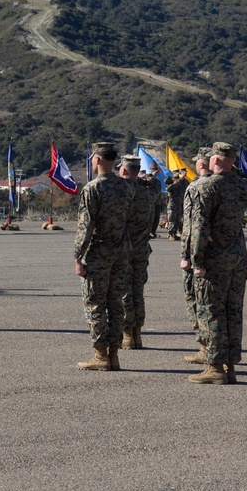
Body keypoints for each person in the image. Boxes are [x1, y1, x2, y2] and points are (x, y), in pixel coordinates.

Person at [182, 142, 247, 384]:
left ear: (215, 160)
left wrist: (196, 260)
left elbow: (199, 227)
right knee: (233, 312)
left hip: (213, 259)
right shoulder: (243, 186)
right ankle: (230, 364)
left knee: (211, 312)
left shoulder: (206, 187)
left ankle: (215, 367)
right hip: (237, 257)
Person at [74, 142, 133, 371]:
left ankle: (100, 355)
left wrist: (78, 256)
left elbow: (85, 227)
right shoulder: (127, 187)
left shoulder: (92, 189)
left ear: (97, 159)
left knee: (95, 303)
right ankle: (114, 354)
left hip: (99, 252)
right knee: (116, 302)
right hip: (121, 251)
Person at [119, 155, 156, 349]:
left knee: (125, 293)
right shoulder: (146, 193)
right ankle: (137, 334)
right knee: (137, 292)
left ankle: (127, 335)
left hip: (123, 250)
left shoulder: (120, 192)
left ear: (124, 170)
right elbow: (155, 186)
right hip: (141, 249)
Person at [181, 147, 212, 364]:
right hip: (231, 256)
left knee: (198, 303)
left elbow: (192, 227)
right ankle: (223, 354)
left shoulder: (197, 187)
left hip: (201, 255)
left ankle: (205, 349)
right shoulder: (235, 185)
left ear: (201, 164)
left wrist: (187, 256)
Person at [165, 171, 189, 240]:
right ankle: (170, 234)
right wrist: (175, 183)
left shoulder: (181, 185)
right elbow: (168, 189)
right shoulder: (171, 185)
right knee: (172, 220)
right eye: (175, 178)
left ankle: (174, 233)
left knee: (178, 220)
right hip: (172, 205)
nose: (177, 179)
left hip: (179, 204)